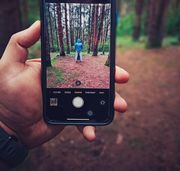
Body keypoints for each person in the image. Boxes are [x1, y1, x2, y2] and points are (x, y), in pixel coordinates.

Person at [0, 21, 129, 170]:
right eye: (79, 42)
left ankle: (78, 59)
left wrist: (6, 127)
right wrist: (5, 123)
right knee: (79, 56)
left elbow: (78, 47)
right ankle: (78, 59)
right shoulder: (78, 44)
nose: (79, 42)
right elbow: (77, 47)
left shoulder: (78, 44)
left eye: (79, 42)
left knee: (79, 56)